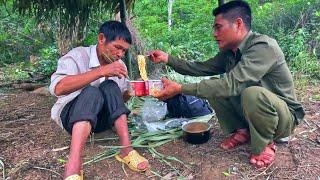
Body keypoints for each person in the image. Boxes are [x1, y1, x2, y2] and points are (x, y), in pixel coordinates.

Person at [148, 1, 305, 168]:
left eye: (218, 27)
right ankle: (242, 131)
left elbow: (230, 85)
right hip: (253, 112)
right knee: (215, 85)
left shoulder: (263, 47)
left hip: (283, 117)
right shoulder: (231, 52)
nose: (214, 34)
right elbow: (201, 68)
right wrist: (168, 59)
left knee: (251, 93)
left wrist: (180, 88)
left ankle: (265, 143)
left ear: (238, 24)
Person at [49, 21, 149, 179]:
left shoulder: (119, 65)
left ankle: (126, 150)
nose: (120, 54)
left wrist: (130, 93)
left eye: (124, 51)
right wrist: (101, 72)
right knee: (92, 92)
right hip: (71, 117)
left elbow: (117, 100)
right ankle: (73, 165)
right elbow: (58, 88)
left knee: (110, 86)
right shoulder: (77, 56)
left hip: (100, 122)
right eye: (117, 47)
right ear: (102, 38)